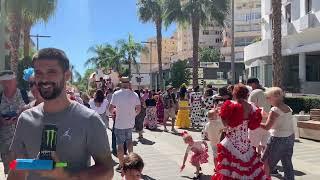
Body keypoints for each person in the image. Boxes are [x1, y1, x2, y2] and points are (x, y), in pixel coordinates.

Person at [8, 48, 114, 179]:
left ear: (67, 75)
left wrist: (66, 176)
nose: (44, 79)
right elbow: (17, 169)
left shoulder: (89, 119)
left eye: (51, 72)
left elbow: (107, 170)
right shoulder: (25, 119)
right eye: (39, 73)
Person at [212, 84, 268, 180]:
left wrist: (220, 114)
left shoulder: (231, 105)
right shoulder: (252, 107)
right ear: (247, 94)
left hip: (231, 143)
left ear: (235, 94)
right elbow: (253, 125)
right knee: (248, 170)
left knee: (230, 171)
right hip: (246, 145)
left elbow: (226, 124)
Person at [261, 87, 295, 180]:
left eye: (268, 97)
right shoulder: (287, 107)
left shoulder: (274, 110)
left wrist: (254, 122)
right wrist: (267, 116)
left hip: (278, 139)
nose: (267, 99)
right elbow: (281, 118)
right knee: (287, 163)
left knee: (266, 162)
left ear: (275, 97)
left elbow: (267, 127)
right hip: (289, 138)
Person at [109, 77, 141, 172]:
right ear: (128, 83)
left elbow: (110, 109)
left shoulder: (116, 94)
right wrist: (132, 115)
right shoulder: (134, 94)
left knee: (120, 145)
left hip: (119, 124)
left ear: (121, 84)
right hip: (130, 123)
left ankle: (121, 165)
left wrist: (114, 112)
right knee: (130, 142)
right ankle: (132, 163)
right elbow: (138, 109)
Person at [0, 70, 28, 176]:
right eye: (4, 82)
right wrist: (2, 121)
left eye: (9, 81)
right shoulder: (0, 98)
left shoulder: (25, 95)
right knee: (11, 172)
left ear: (15, 81)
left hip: (24, 143)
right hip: (6, 144)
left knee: (25, 173)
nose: (7, 84)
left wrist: (22, 118)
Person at [247, 77, 271, 154]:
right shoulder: (268, 91)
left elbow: (250, 107)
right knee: (264, 144)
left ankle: (254, 161)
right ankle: (264, 161)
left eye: (250, 85)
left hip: (256, 123)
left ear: (253, 84)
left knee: (252, 146)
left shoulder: (255, 92)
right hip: (268, 122)